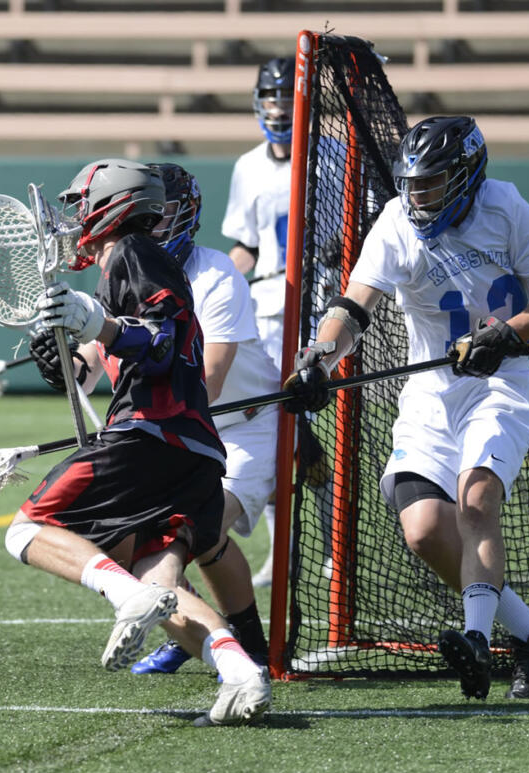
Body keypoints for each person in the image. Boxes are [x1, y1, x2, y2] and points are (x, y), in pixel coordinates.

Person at [281, 116, 529, 700]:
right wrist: (318, 357)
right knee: (422, 530)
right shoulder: (396, 221)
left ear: (467, 174)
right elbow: (354, 306)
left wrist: (507, 333)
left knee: (476, 500)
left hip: (502, 380)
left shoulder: (506, 207)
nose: (417, 195)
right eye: (412, 183)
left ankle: (475, 638)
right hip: (431, 390)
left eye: (432, 183)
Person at [12, 157, 271, 726]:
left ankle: (122, 596)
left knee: (25, 530)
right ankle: (243, 674)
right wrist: (61, 356)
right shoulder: (129, 264)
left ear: (111, 205)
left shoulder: (133, 254)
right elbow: (90, 368)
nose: (73, 220)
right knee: (160, 579)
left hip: (153, 433)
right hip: (193, 449)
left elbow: (160, 338)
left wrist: (97, 323)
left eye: (81, 207)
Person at [124, 162, 279, 675]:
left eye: (159, 214)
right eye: (140, 215)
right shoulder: (127, 275)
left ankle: (253, 647)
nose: (148, 227)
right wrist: (69, 364)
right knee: (134, 535)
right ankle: (194, 632)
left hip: (242, 427)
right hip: (178, 428)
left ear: (186, 215)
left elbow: (209, 379)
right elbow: (102, 360)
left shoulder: (216, 275)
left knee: (198, 528)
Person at [221, 56, 297, 586]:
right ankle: (283, 549)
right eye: (269, 99)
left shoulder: (331, 158)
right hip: (269, 302)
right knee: (276, 427)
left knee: (316, 435)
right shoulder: (248, 166)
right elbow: (246, 245)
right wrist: (219, 280)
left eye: (286, 99)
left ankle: (336, 552)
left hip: (324, 301)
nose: (277, 110)